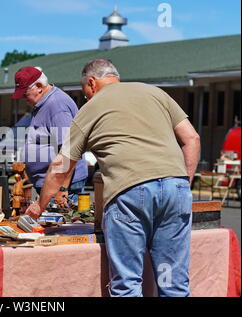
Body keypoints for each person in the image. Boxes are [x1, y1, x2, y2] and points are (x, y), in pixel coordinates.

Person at [25, 59, 201, 297]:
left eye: (85, 91)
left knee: (127, 284)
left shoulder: (92, 107)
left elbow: (61, 165)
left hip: (129, 191)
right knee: (173, 282)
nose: (86, 97)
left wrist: (39, 206)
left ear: (91, 83)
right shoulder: (155, 93)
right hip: (175, 187)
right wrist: (182, 185)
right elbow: (192, 139)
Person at [11, 66, 88, 207]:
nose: (23, 98)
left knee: (62, 226)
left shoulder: (56, 105)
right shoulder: (42, 103)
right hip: (51, 183)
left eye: (25, 94)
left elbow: (69, 150)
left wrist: (62, 188)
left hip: (61, 185)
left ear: (39, 86)